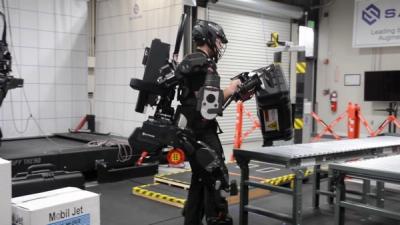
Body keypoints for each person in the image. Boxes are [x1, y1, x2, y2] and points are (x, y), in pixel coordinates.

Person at [176, 20, 241, 225]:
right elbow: (209, 105)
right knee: (217, 177)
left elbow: (201, 103)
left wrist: (232, 93)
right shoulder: (204, 64)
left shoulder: (192, 62)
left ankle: (192, 220)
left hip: (191, 131)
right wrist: (230, 89)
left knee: (200, 178)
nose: (220, 46)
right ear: (209, 39)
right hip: (202, 132)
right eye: (219, 41)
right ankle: (217, 219)